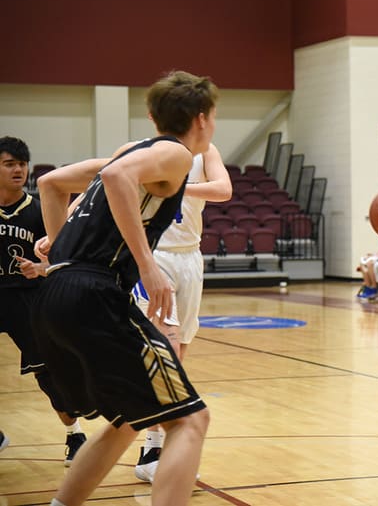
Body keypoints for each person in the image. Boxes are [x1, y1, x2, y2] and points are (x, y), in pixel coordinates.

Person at [32, 70, 215, 506]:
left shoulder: (132, 150)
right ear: (202, 119)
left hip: (56, 293)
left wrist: (59, 254)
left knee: (128, 419)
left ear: (153, 116)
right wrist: (148, 265)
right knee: (191, 420)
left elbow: (50, 183)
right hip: (95, 293)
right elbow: (116, 178)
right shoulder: (175, 153)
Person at [132, 143, 232, 483]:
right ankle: (154, 450)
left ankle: (155, 446)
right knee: (168, 351)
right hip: (155, 256)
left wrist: (179, 187)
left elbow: (224, 189)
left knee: (180, 352)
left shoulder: (206, 152)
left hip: (190, 257)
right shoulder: (151, 150)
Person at [0, 136, 88, 466]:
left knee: (49, 373)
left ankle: (75, 434)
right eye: (9, 164)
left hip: (29, 298)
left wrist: (41, 267)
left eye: (22, 164)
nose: (18, 170)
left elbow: (64, 257)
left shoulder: (39, 209)